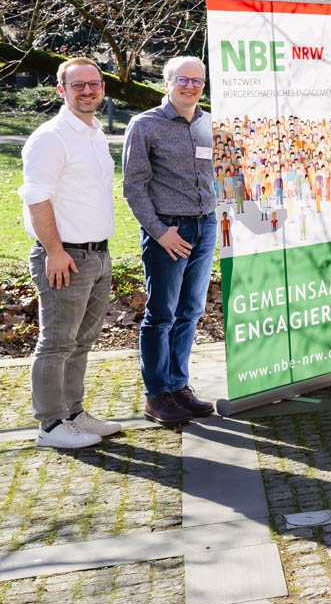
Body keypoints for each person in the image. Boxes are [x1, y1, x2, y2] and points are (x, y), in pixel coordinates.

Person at [21, 57, 121, 448]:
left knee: (82, 341)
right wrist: (55, 251)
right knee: (57, 342)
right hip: (66, 257)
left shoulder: (94, 133)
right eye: (77, 85)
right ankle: (50, 426)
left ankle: (73, 413)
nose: (87, 91)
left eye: (93, 84)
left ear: (103, 88)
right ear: (61, 90)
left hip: (98, 255)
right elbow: (36, 198)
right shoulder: (51, 137)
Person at [122, 56, 219, 425]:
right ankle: (157, 394)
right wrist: (160, 232)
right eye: (183, 79)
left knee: (190, 311)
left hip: (205, 226)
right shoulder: (144, 125)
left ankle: (179, 387)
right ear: (167, 83)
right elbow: (134, 186)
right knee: (162, 314)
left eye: (197, 80)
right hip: (169, 231)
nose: (191, 86)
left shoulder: (209, 124)